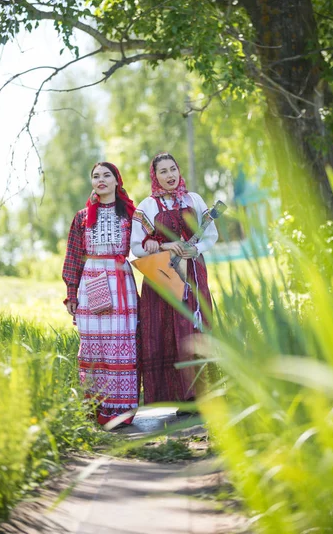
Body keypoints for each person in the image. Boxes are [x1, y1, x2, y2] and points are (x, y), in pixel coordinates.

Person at [130, 152, 218, 406]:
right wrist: (167, 245)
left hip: (194, 274)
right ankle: (177, 399)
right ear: (155, 176)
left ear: (179, 171)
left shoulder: (194, 199)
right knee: (167, 332)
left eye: (173, 169)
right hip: (163, 277)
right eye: (163, 171)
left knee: (194, 328)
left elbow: (210, 234)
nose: (170, 176)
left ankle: (202, 395)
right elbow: (137, 246)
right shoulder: (146, 206)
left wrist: (196, 249)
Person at [62, 162, 139, 427]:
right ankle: (95, 409)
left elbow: (147, 243)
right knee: (94, 344)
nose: (101, 180)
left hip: (120, 282)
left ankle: (120, 412)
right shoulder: (82, 216)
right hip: (92, 280)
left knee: (121, 343)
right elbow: (73, 256)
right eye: (96, 176)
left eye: (107, 175)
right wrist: (71, 293)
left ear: (117, 180)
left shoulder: (131, 214)